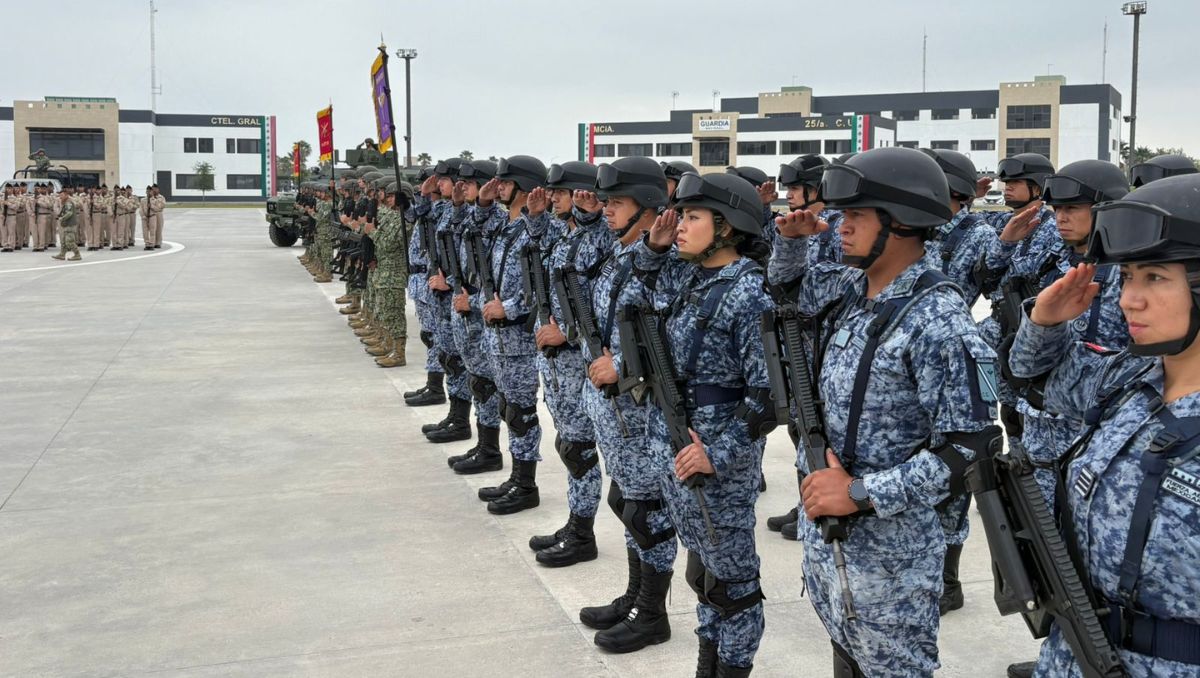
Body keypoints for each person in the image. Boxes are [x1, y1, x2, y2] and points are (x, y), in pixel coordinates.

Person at [771, 147, 999, 677]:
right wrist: (789, 241)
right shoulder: (855, 292)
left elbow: (972, 447)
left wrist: (859, 494)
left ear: (901, 222)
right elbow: (786, 289)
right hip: (832, 547)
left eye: (854, 217)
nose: (839, 228)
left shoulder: (939, 320)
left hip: (891, 563)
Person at [1008, 173, 1200, 677]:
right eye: (1130, 276)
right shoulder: (1131, 377)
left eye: (1155, 278)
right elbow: (1036, 376)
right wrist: (1045, 321)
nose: (1127, 299)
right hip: (1075, 651)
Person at [636, 172, 776, 677]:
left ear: (728, 225)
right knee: (705, 576)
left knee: (733, 587)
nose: (680, 225)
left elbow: (767, 399)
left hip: (717, 462)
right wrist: (652, 248)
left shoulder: (749, 293)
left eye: (693, 217)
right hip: (675, 446)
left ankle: (732, 669)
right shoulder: (690, 276)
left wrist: (717, 452)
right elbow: (633, 290)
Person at [575, 157, 679, 654]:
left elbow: (670, 332)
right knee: (627, 503)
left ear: (649, 209)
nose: (607, 210)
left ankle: (653, 614)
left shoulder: (670, 261)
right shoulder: (624, 254)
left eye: (618, 203)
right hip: (617, 411)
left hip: (642, 408)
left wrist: (621, 363)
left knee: (647, 512)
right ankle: (636, 596)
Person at [523, 161, 612, 567]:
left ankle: (583, 533)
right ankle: (576, 521)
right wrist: (540, 217)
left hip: (580, 358)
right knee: (567, 445)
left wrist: (568, 333)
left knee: (580, 451)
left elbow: (600, 308)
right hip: (557, 361)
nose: (553, 197)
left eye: (561, 192)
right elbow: (540, 249)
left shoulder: (600, 237)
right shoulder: (566, 235)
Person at [765, 152, 843, 541]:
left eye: (797, 187)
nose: (790, 195)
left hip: (827, 344)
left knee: (819, 430)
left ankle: (818, 506)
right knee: (801, 428)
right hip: (800, 343)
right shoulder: (796, 226)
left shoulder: (839, 228)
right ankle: (805, 502)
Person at [473, 156, 548, 514]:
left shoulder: (537, 229)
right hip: (498, 337)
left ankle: (526, 484)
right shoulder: (506, 225)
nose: (498, 185)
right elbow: (475, 232)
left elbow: (542, 283)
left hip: (518, 337)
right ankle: (517, 476)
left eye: (505, 181)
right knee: (508, 407)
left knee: (522, 412)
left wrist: (512, 307)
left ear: (525, 186)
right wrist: (484, 203)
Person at [51, 186, 81, 261]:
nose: (60, 197)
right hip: (66, 224)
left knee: (69, 241)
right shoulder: (65, 202)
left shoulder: (68, 203)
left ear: (66, 195)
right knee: (63, 240)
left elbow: (69, 213)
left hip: (70, 225)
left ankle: (77, 254)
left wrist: (62, 218)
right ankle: (62, 254)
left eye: (61, 195)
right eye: (59, 195)